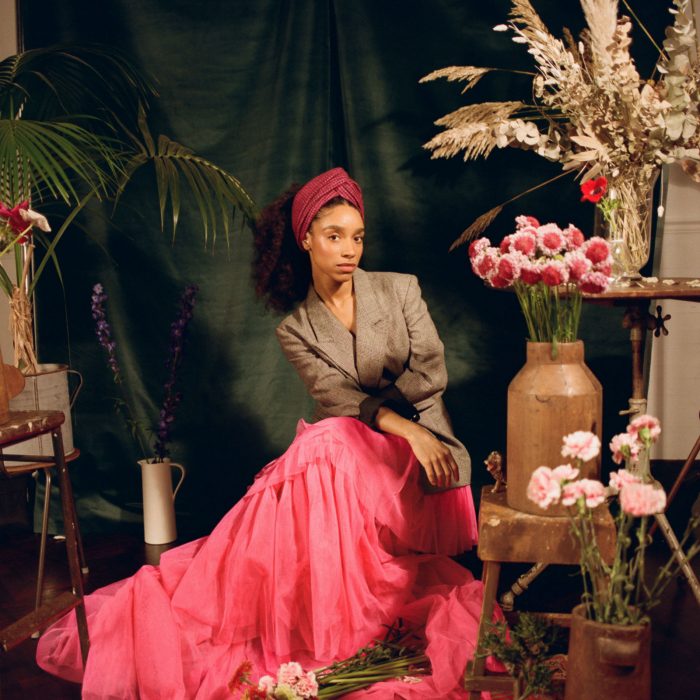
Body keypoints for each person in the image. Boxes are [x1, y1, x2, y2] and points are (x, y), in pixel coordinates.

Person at [36, 168, 496, 699]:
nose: (349, 250)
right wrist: (387, 421)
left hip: (422, 449)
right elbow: (336, 398)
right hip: (356, 452)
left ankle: (308, 605)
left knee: (323, 444)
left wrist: (412, 433)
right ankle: (312, 615)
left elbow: (430, 374)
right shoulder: (295, 328)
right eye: (334, 236)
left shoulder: (399, 289)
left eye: (357, 236)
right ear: (306, 239)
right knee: (326, 441)